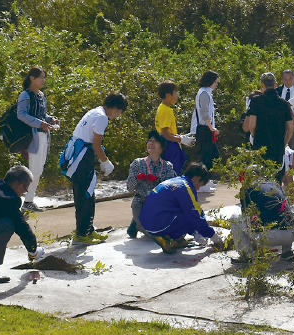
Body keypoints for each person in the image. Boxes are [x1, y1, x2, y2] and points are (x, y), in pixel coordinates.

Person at [60, 92, 128, 244]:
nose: (117, 115)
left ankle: (86, 229)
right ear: (116, 108)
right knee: (86, 195)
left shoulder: (95, 111)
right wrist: (105, 161)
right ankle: (83, 234)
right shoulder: (102, 117)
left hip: (77, 155)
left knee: (83, 194)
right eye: (119, 112)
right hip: (82, 159)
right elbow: (96, 145)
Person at [139, 163, 221, 253]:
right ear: (196, 179)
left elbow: (197, 208)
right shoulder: (185, 187)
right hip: (157, 225)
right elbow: (195, 216)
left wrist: (201, 229)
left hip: (147, 223)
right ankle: (167, 239)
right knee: (190, 217)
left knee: (188, 212)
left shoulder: (177, 181)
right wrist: (213, 236)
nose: (198, 189)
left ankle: (176, 239)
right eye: (199, 185)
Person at [16, 66, 60, 212]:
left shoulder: (41, 95)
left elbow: (42, 115)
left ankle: (29, 201)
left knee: (38, 170)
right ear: (31, 78)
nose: (43, 80)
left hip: (43, 136)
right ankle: (26, 203)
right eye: (41, 77)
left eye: (44, 77)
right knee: (33, 170)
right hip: (32, 137)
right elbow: (21, 114)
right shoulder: (25, 95)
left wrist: (51, 120)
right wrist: (40, 123)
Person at [231, 177, 294, 264]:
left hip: (268, 237)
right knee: (283, 213)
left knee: (235, 217)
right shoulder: (276, 185)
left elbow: (246, 214)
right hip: (292, 234)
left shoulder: (247, 188)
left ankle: (247, 255)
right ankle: (287, 252)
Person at [126, 131, 177, 238]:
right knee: (152, 234)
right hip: (140, 202)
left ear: (162, 148)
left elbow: (170, 192)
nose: (151, 143)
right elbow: (129, 188)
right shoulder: (137, 163)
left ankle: (136, 222)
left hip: (159, 204)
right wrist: (137, 179)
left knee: (169, 228)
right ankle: (137, 223)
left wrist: (157, 182)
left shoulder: (168, 166)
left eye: (155, 141)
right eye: (149, 141)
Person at [247, 72, 294, 167]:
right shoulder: (284, 103)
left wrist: (255, 136)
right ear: (275, 85)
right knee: (276, 175)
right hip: (277, 146)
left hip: (260, 144)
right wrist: (283, 143)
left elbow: (252, 125)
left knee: (260, 175)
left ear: (262, 84)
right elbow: (290, 128)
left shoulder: (255, 101)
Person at [155, 81, 195, 175]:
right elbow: (165, 133)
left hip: (165, 143)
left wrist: (180, 137)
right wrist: (180, 139)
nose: (177, 95)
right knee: (172, 172)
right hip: (170, 146)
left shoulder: (162, 108)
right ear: (168, 95)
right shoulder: (166, 110)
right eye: (175, 93)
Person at [190, 71, 220, 170]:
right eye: (215, 82)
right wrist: (212, 128)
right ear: (210, 81)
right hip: (204, 129)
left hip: (206, 129)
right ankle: (204, 181)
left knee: (211, 157)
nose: (216, 84)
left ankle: (206, 180)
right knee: (207, 158)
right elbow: (204, 113)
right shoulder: (204, 93)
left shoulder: (206, 92)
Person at [276, 69, 294, 149]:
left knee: (289, 147)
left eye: (290, 78)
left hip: (292, 123)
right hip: (278, 122)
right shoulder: (277, 91)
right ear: (282, 80)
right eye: (285, 79)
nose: (288, 81)